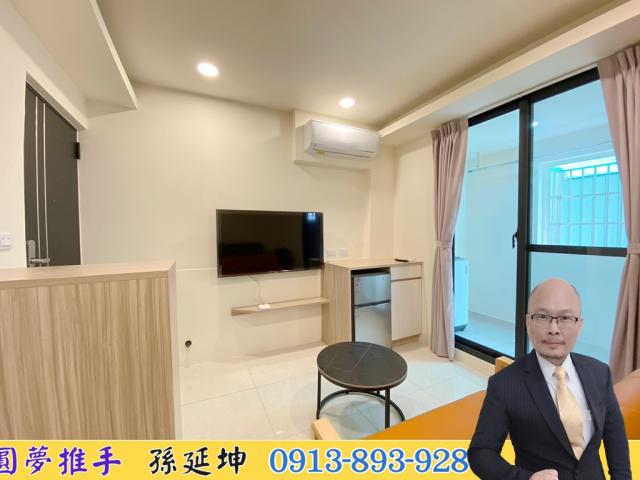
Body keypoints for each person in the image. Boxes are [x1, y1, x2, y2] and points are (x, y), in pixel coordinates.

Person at [468, 278, 631, 480]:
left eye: (565, 318)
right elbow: (481, 452)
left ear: (579, 325)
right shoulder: (503, 384)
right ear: (528, 322)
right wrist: (524, 478)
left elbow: (615, 437)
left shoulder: (600, 373)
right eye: (543, 316)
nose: (554, 328)